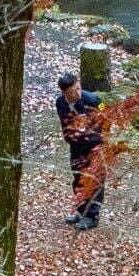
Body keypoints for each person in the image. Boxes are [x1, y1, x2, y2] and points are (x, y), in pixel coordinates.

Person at [56, 71, 108, 229]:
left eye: (79, 88)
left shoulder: (92, 100)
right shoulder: (61, 103)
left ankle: (92, 216)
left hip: (95, 145)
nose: (77, 93)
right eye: (73, 91)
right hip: (76, 146)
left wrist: (93, 136)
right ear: (65, 92)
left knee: (94, 179)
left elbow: (106, 121)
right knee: (78, 178)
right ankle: (80, 210)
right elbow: (65, 124)